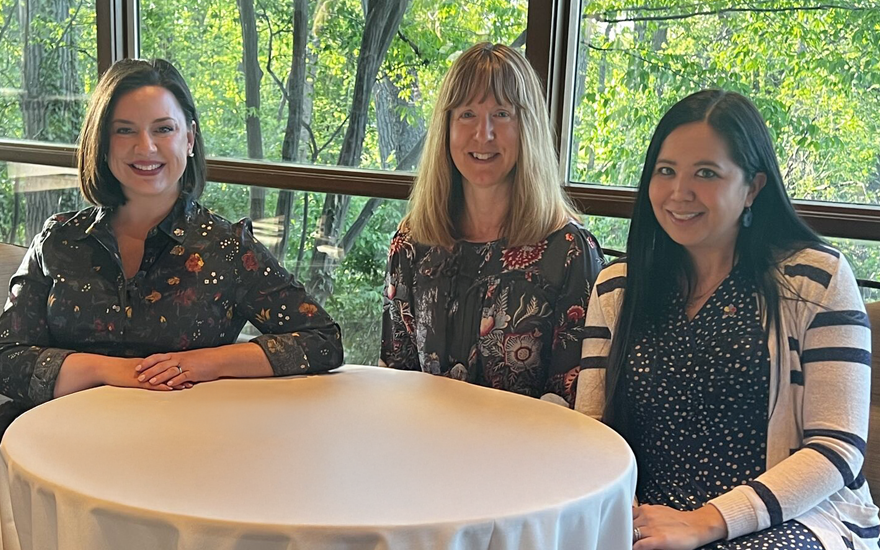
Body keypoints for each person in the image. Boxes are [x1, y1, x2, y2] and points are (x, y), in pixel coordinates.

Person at [576, 90, 877, 550]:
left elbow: (837, 449)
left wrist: (708, 521)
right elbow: (593, 428)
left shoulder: (816, 279)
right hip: (648, 515)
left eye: (706, 173)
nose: (680, 192)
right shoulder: (619, 287)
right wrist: (623, 512)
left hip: (787, 518)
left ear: (752, 187)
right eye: (666, 171)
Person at [0, 59, 343, 430]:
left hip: (185, 447)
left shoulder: (226, 247)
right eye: (125, 130)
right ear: (102, 142)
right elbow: (8, 357)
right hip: (54, 442)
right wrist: (111, 370)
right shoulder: (59, 239)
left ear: (190, 139)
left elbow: (322, 340)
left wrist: (206, 362)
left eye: (163, 129)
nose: (145, 147)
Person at [380, 43, 605, 405]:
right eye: (467, 114)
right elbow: (394, 376)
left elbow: (572, 402)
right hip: (425, 452)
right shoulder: (412, 242)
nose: (483, 134)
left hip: (529, 455)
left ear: (527, 128)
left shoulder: (570, 251)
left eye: (502, 114)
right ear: (446, 128)